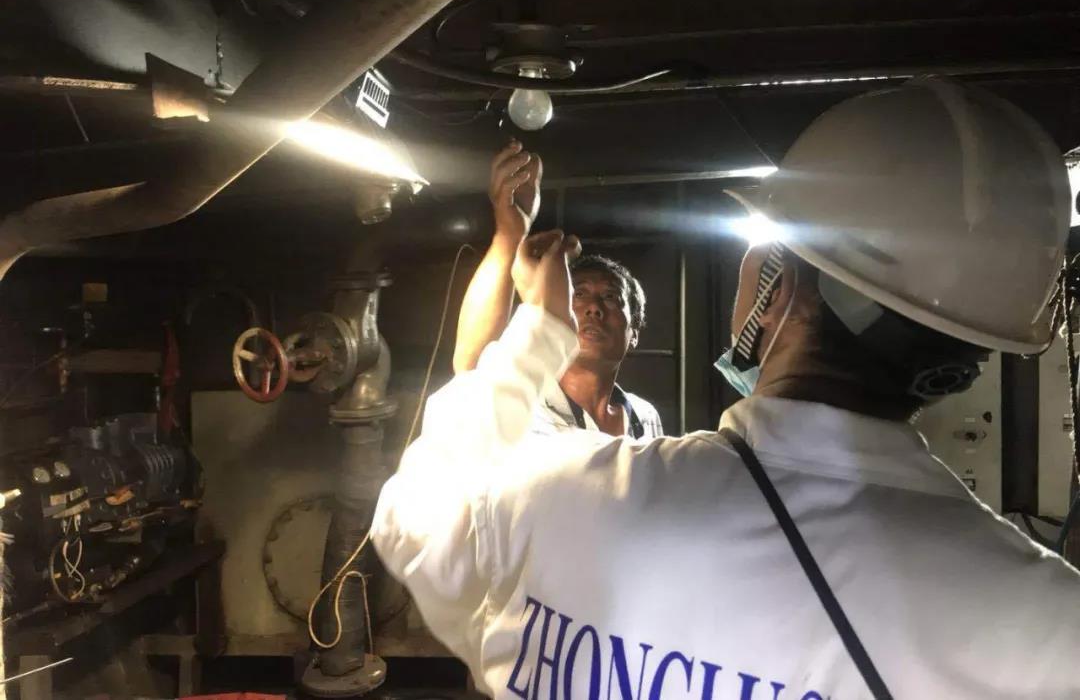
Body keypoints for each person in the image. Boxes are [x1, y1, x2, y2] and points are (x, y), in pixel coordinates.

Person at [373, 79, 1080, 699]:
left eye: (609, 302)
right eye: (581, 303)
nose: (593, 311)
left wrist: (541, 325)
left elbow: (419, 512)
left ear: (777, 290)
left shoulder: (568, 491)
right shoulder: (1050, 627)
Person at [453, 140, 662, 439]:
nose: (594, 308)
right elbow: (471, 368)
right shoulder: (524, 403)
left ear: (635, 333)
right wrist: (510, 234)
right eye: (578, 293)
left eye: (610, 297)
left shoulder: (645, 417)